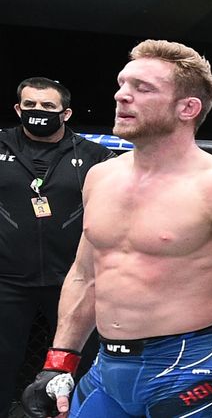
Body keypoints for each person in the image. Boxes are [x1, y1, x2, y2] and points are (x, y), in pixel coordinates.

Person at [20, 41, 212, 418]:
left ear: (187, 108)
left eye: (142, 88)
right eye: (123, 84)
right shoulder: (100, 177)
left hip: (189, 368)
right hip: (106, 368)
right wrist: (59, 361)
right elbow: (84, 275)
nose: (121, 96)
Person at [1, 78, 112, 413]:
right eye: (30, 105)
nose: (39, 112)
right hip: (6, 280)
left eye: (48, 107)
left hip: (73, 280)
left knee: (83, 361)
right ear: (18, 109)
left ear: (66, 113)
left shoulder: (95, 155)